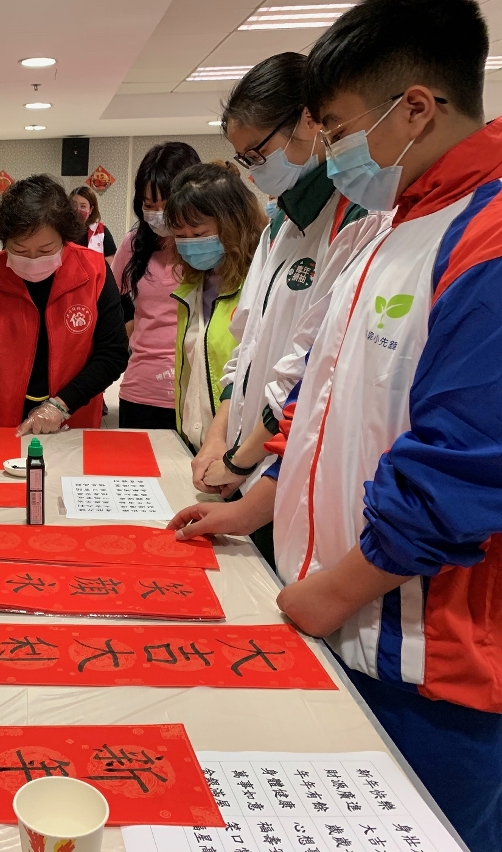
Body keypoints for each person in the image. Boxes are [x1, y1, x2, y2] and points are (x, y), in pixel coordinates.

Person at [169, 2, 502, 847]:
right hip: (335, 613)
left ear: (415, 108)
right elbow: (318, 402)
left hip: (422, 655)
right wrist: (255, 506)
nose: (331, 150)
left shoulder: (486, 237)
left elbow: (463, 467)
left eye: (341, 128)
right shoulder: (385, 226)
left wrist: (332, 590)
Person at [188, 52, 391, 565]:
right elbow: (247, 347)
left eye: (258, 154)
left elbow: (307, 374)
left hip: (284, 473)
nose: (254, 171)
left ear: (309, 120)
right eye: (245, 160)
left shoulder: (360, 219)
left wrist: (240, 459)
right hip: (245, 466)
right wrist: (217, 438)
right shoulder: (279, 227)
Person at [0, 175, 128, 436]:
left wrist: (61, 406)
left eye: (45, 250)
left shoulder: (94, 272)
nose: (32, 260)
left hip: (73, 415)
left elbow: (113, 353)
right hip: (3, 418)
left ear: (65, 238)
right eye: (19, 250)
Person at [165, 161, 267, 452]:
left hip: (242, 449)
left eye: (198, 234)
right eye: (180, 235)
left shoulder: (258, 285)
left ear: (233, 224)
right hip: (196, 444)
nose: (189, 244)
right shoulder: (192, 287)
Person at [110, 142, 201, 430]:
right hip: (141, 389)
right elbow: (110, 303)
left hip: (196, 392)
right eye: (149, 205)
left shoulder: (207, 247)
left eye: (167, 204)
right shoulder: (135, 243)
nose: (159, 214)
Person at [70, 186, 117, 266]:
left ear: (91, 210)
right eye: (74, 205)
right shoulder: (62, 231)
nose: (77, 210)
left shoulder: (102, 231)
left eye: (83, 206)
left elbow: (111, 266)